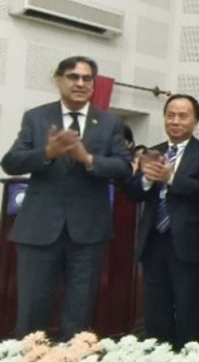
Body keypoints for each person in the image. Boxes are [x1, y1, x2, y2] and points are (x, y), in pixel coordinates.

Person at [1, 56, 132, 340]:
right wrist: (46, 154)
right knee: (32, 311)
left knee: (79, 312)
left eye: (87, 78)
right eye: (73, 77)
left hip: (88, 232)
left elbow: (123, 167)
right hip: (39, 228)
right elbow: (10, 162)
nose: (80, 83)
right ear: (58, 80)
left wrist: (87, 159)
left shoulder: (109, 122)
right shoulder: (36, 117)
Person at [124, 94, 199, 349]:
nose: (175, 121)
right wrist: (147, 179)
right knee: (156, 309)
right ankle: (159, 361)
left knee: (188, 307)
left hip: (189, 244)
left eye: (183, 116)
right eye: (171, 115)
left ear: (195, 120)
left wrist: (172, 177)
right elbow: (132, 192)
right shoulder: (154, 151)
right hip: (154, 240)